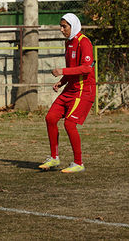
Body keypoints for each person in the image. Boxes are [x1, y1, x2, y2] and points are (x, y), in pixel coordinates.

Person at [39, 13, 96, 173]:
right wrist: (62, 81)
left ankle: (78, 163)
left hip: (83, 91)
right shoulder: (68, 43)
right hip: (70, 89)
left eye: (64, 26)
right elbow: (73, 69)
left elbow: (86, 68)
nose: (61, 28)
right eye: (61, 25)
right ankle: (54, 158)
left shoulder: (84, 42)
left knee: (69, 124)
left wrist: (61, 71)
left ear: (73, 26)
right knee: (50, 118)